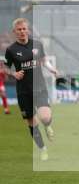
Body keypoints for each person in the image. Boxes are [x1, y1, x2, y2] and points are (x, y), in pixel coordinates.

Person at [4, 18, 59, 160]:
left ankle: (47, 126)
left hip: (39, 87)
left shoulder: (38, 44)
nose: (22, 32)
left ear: (27, 29)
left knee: (45, 117)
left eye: (24, 29)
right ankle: (43, 149)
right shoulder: (11, 50)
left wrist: (52, 69)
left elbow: (44, 61)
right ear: (14, 32)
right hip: (23, 91)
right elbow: (4, 67)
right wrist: (13, 73)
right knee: (31, 122)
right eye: (19, 30)